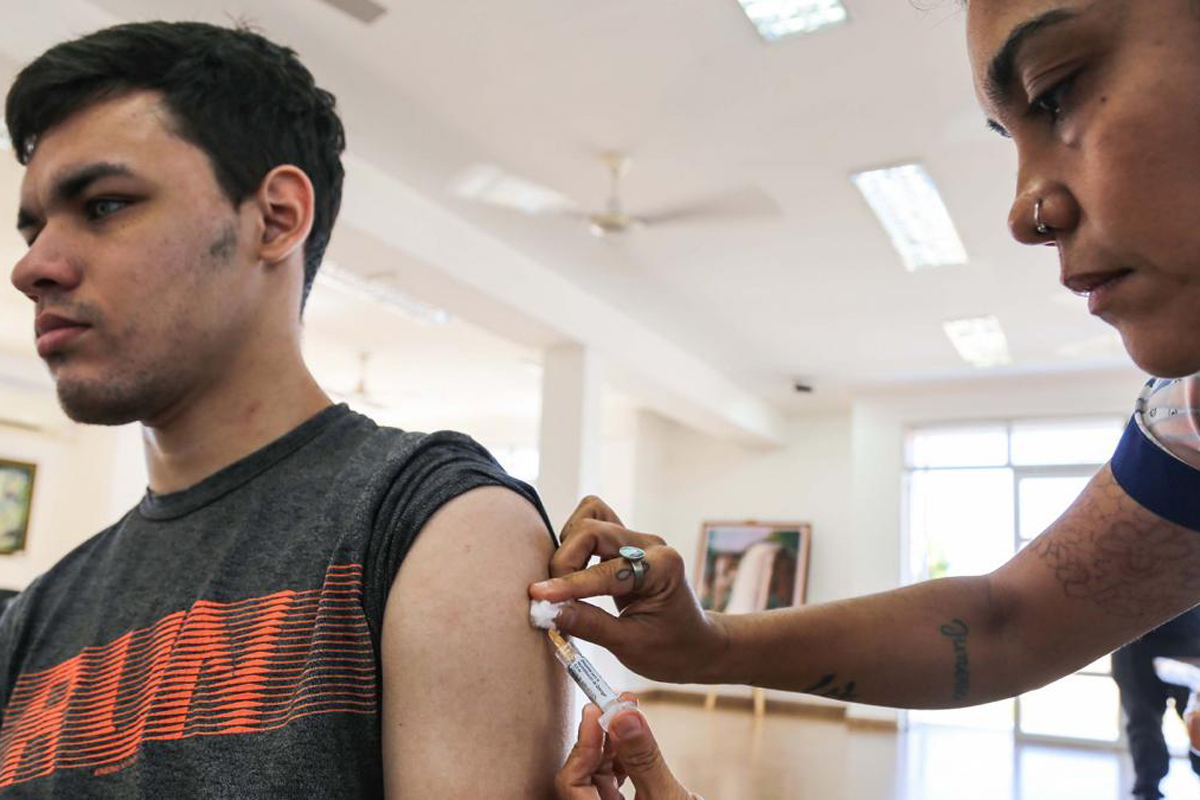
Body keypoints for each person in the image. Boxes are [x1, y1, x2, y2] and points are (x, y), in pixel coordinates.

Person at [539, 1, 1200, 794]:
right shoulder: (1188, 418)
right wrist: (707, 644)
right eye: (1008, 138)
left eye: (1055, 93)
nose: (1028, 213)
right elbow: (1005, 621)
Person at [1, 21, 570, 796]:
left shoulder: (431, 520)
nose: (33, 266)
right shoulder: (38, 615)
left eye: (104, 205)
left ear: (274, 218)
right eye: (34, 228)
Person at [1113, 609, 1200, 800]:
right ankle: (1147, 789)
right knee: (1142, 721)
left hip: (1188, 632)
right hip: (1132, 639)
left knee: (1197, 719)